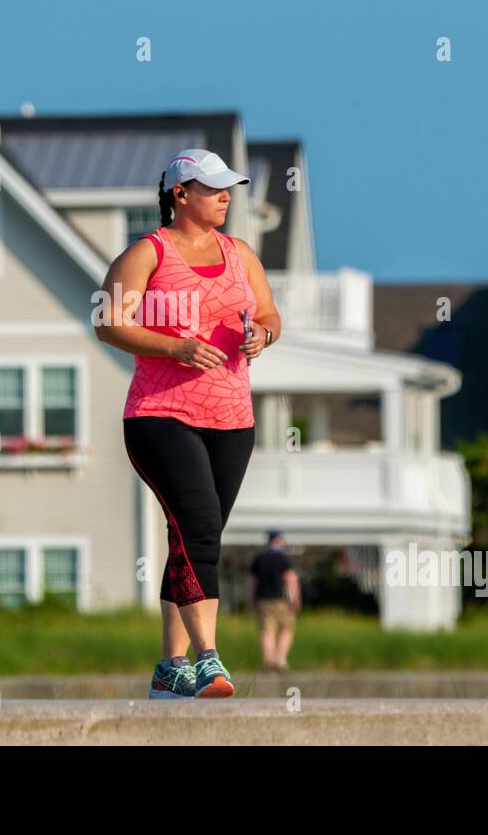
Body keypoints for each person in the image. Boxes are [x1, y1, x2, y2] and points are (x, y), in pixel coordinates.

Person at [95, 147, 282, 699]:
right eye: (213, 188)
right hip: (160, 416)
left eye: (229, 188)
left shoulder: (240, 253)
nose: (225, 196)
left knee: (193, 539)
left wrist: (262, 335)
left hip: (232, 418)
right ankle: (208, 660)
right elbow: (108, 322)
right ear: (181, 194)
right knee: (199, 526)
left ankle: (168, 667)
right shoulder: (147, 253)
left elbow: (270, 314)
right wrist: (174, 347)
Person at [249, 530, 300, 672]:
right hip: (281, 600)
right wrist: (295, 598)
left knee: (267, 631)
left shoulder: (259, 558)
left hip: (262, 599)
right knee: (287, 628)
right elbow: (290, 579)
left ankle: (268, 660)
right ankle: (280, 658)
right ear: (280, 540)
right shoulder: (284, 558)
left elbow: (253, 581)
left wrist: (253, 598)